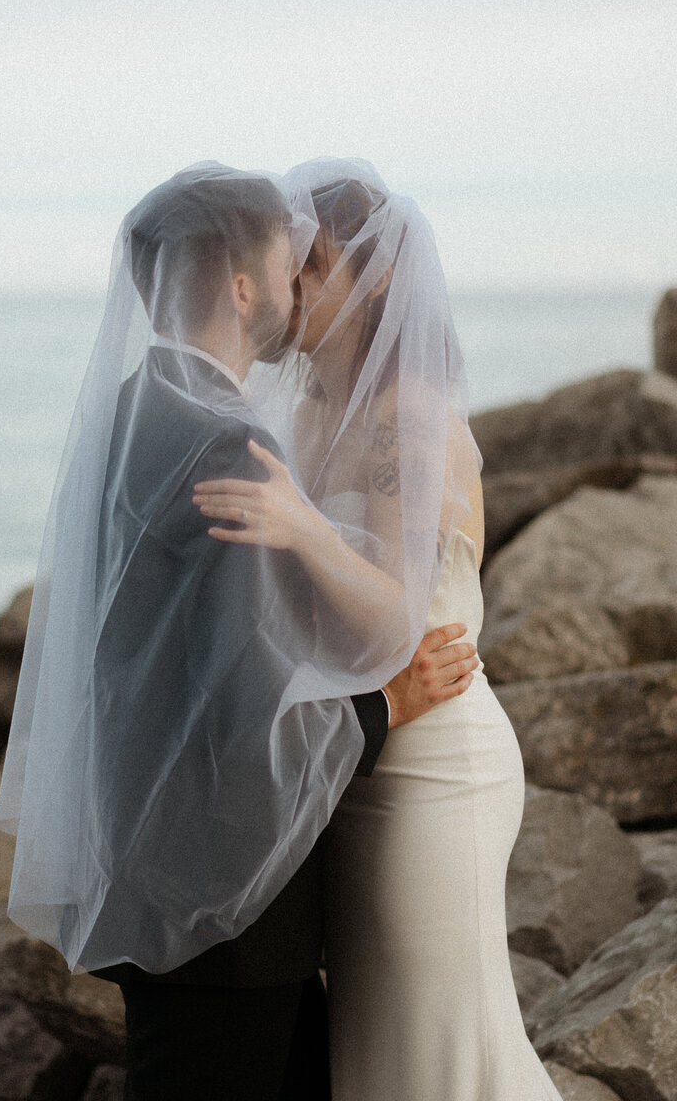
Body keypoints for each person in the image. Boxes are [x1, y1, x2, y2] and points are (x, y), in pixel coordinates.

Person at [0, 163, 476, 1101]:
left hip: (161, 852)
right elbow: (246, 691)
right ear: (240, 284)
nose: (299, 282)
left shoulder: (131, 411)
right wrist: (386, 705)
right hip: (224, 891)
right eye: (284, 261)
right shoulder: (225, 443)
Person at [194, 158, 563, 1099]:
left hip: (437, 769)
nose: (291, 290)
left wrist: (302, 528)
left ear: (379, 277)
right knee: (376, 1054)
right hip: (352, 763)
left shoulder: (416, 421)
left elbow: (399, 618)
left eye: (311, 266)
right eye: (287, 267)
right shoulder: (311, 412)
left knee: (444, 1049)